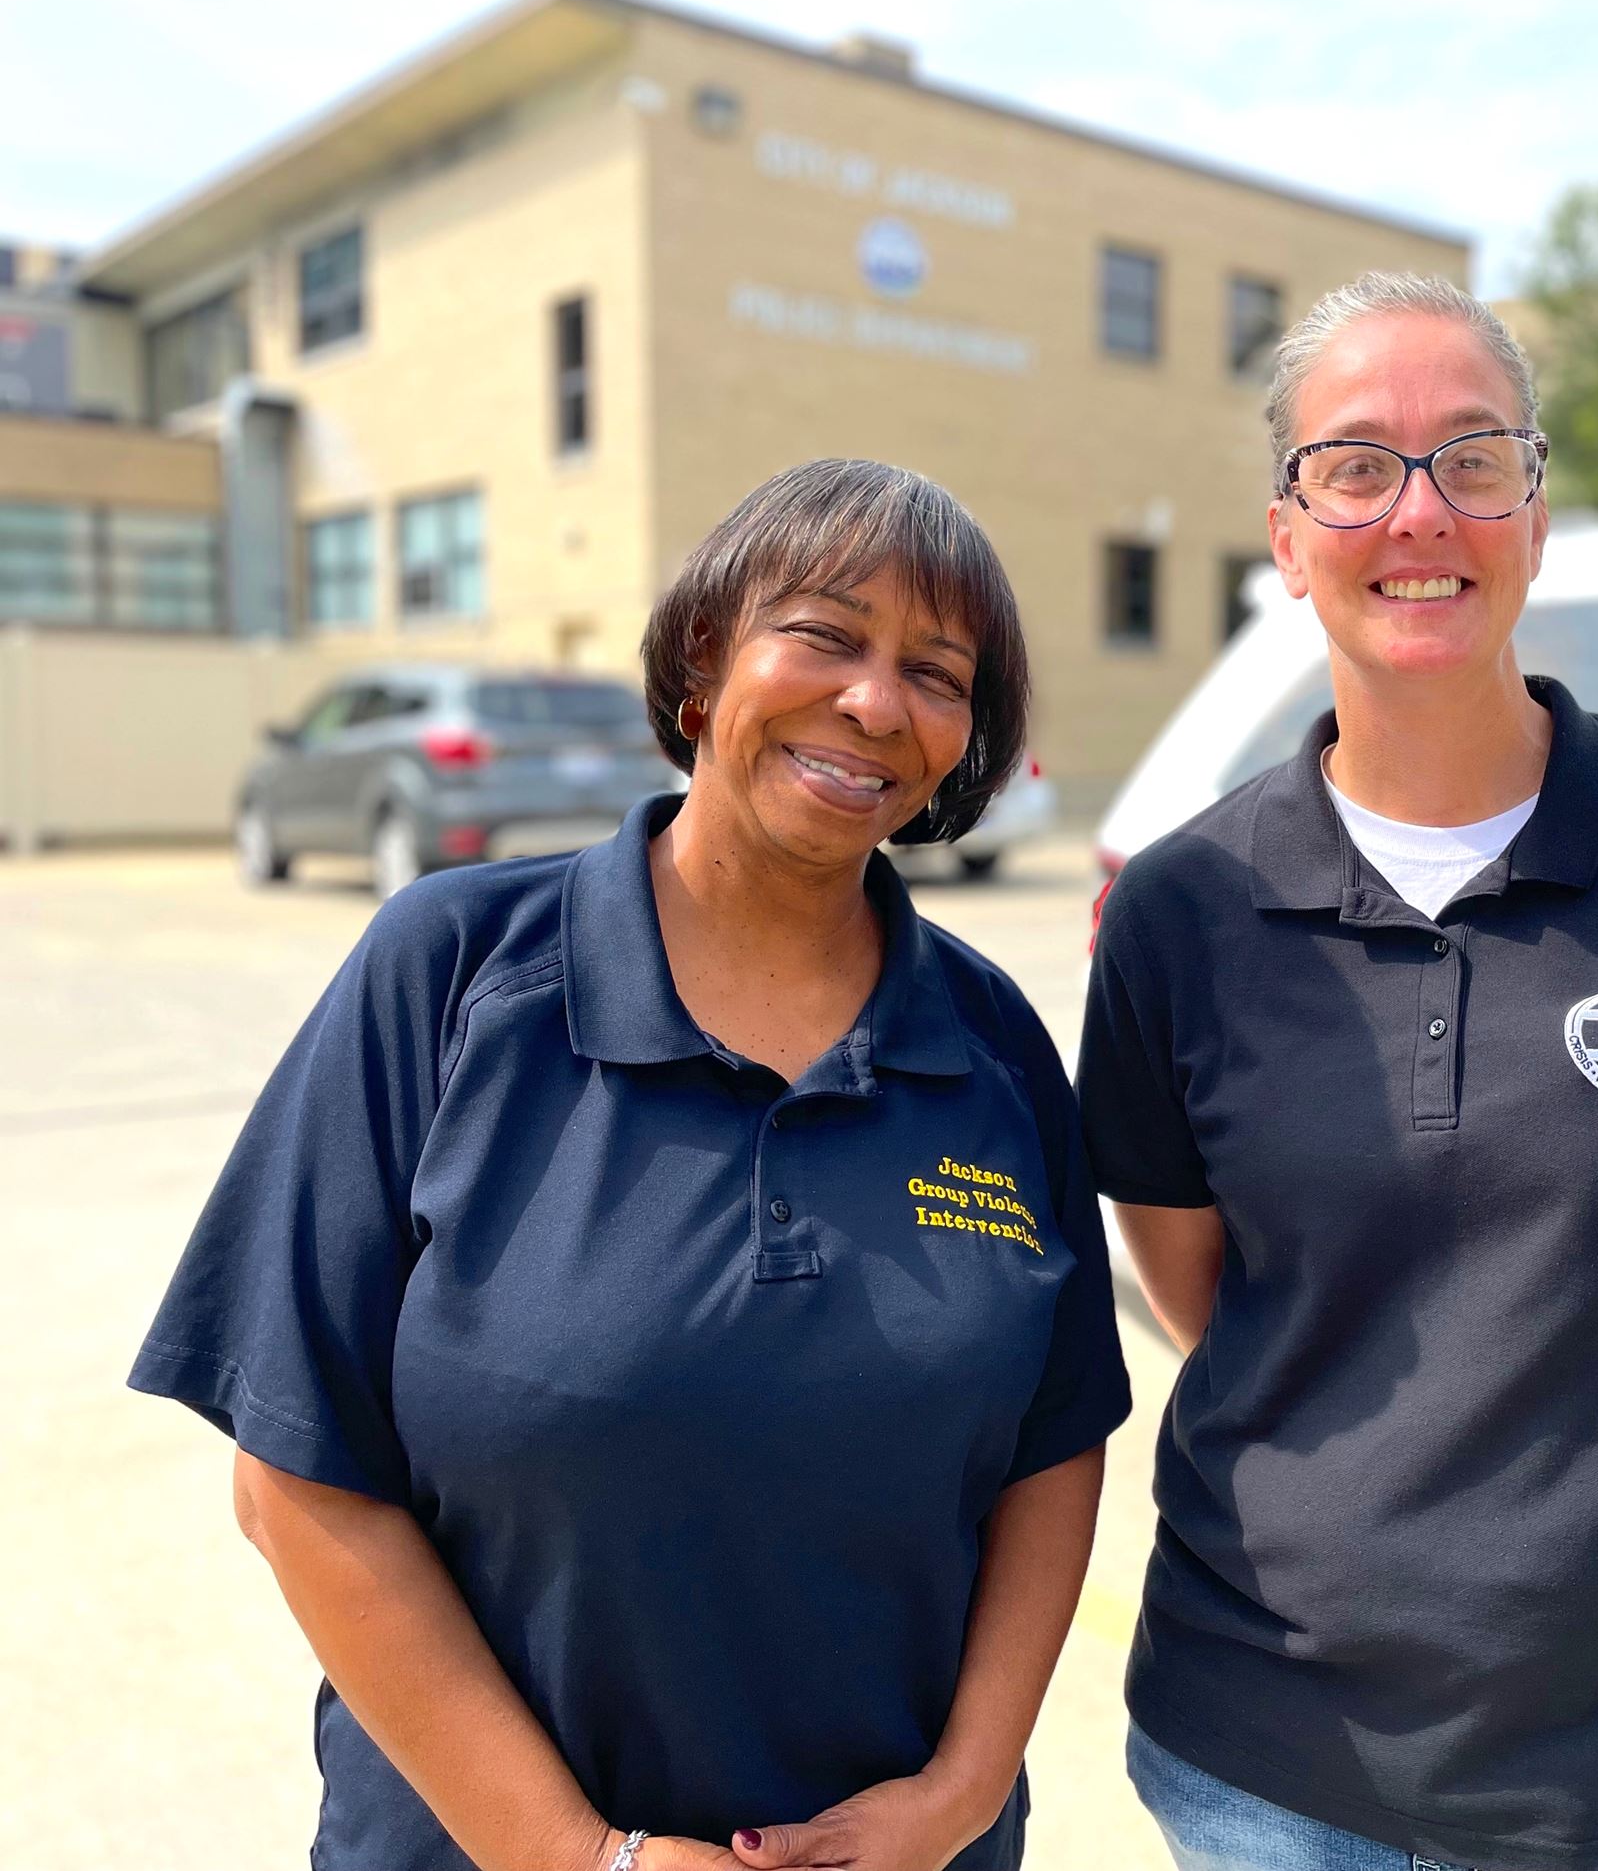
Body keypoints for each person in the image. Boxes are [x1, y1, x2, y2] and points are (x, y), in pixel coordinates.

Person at [130, 460, 1130, 1871]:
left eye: (936, 670)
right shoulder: (455, 972)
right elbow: (294, 1476)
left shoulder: (991, 1047)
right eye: (828, 634)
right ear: (707, 653)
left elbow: (1054, 1443)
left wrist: (962, 1792)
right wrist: (580, 1856)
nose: (877, 702)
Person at [1080, 274, 1598, 1871]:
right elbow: (1210, 1294)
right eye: (1356, 465)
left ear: (1536, 517)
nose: (1420, 511)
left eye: (1475, 458)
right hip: (1266, 1764)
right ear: (1287, 533)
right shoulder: (1184, 910)